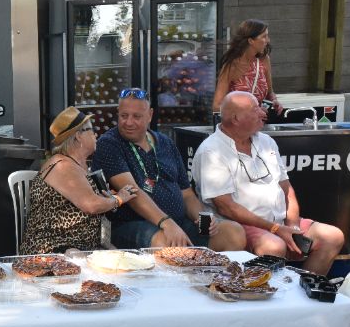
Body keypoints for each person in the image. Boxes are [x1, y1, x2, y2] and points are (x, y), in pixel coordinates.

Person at [193, 91, 344, 276]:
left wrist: (292, 226)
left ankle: (303, 289)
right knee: (273, 246)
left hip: (279, 222)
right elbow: (227, 208)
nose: (263, 112)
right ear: (236, 118)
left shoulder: (266, 141)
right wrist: (274, 229)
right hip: (240, 226)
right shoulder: (211, 151)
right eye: (255, 109)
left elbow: (286, 188)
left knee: (332, 237)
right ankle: (264, 291)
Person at [91, 88, 246, 251]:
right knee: (167, 244)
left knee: (233, 233)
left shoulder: (165, 142)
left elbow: (186, 194)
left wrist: (202, 218)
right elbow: (132, 192)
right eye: (124, 116)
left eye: (136, 116)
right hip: (131, 225)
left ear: (150, 115)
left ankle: (205, 267)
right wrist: (166, 223)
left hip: (176, 223)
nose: (129, 122)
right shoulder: (109, 144)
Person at [19, 106, 136, 255]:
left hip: (86, 246)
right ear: (78, 136)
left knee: (124, 259)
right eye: (91, 130)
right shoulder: (62, 165)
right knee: (82, 258)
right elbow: (91, 205)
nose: (96, 134)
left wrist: (108, 199)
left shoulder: (79, 166)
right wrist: (119, 199)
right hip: (54, 247)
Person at [212, 19, 282, 117]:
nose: (268, 40)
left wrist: (274, 101)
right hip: (237, 123)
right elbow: (216, 106)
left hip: (258, 122)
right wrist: (250, 110)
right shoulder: (232, 66)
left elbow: (270, 93)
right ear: (251, 41)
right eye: (264, 36)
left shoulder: (264, 60)